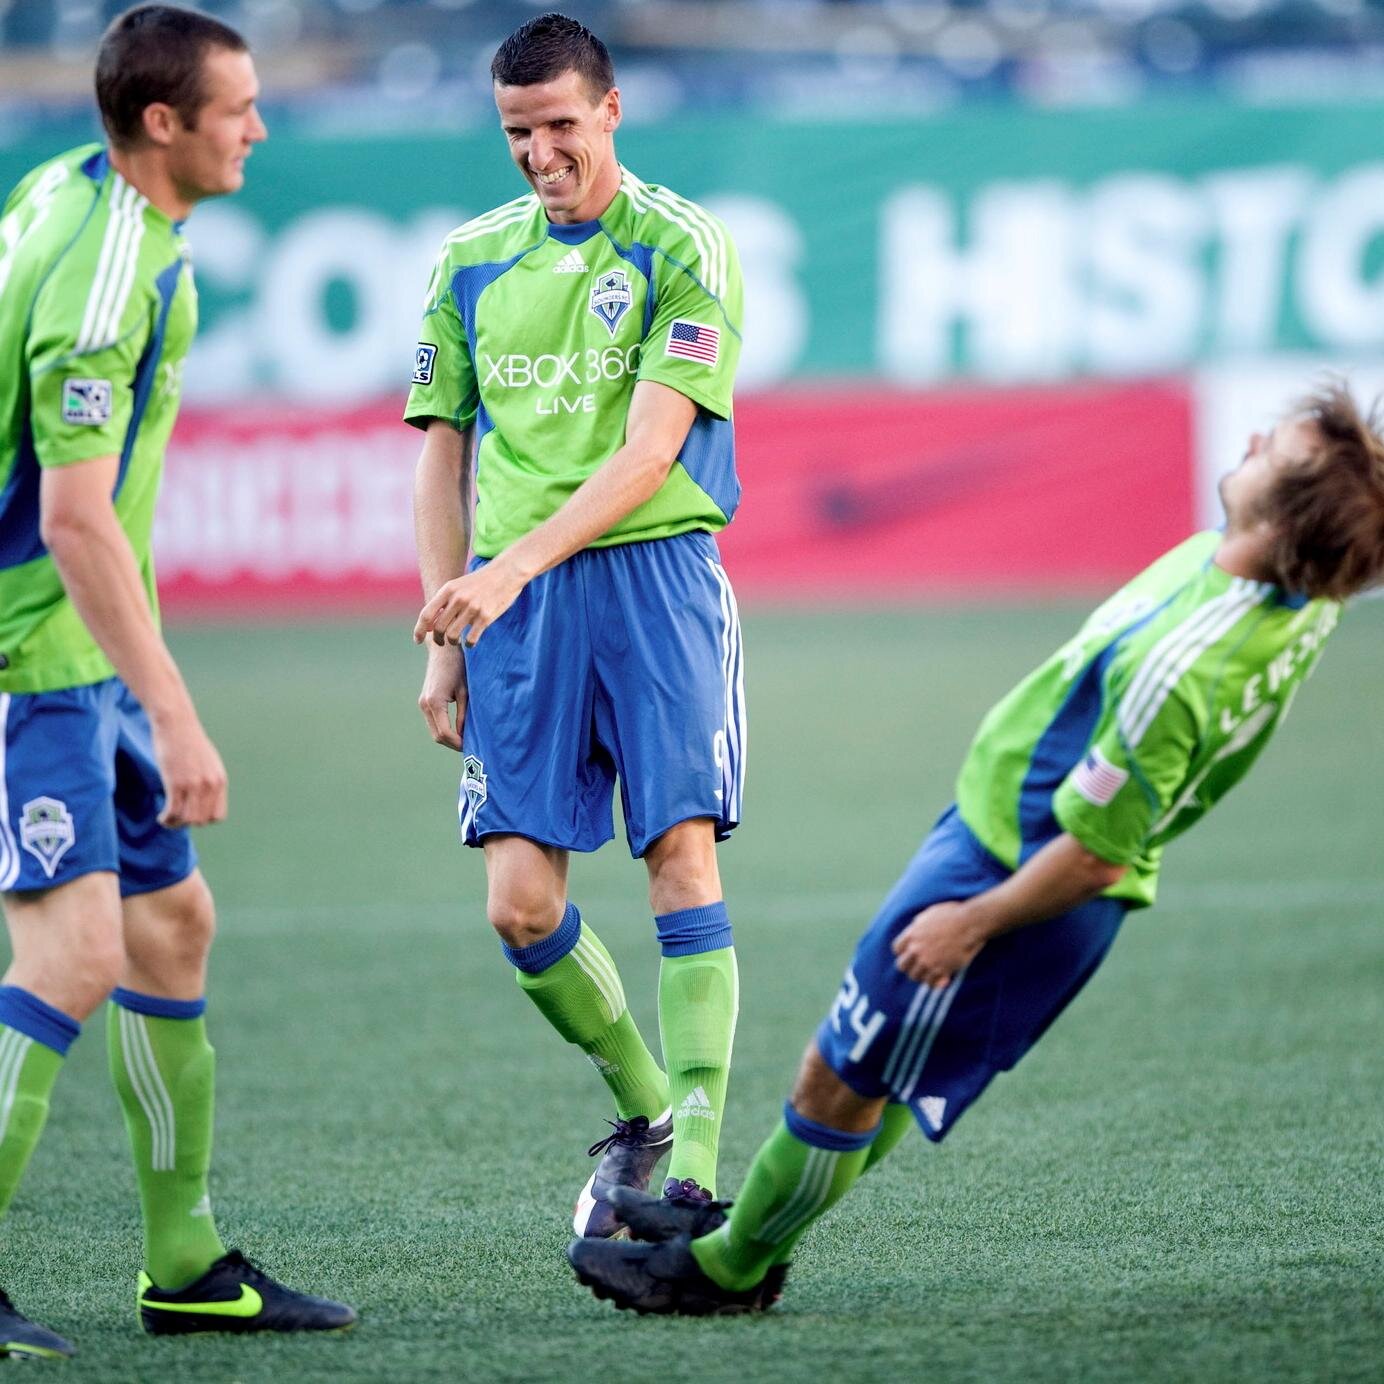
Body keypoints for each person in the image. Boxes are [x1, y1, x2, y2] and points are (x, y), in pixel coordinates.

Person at [567, 383, 1384, 1314]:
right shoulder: (1291, 593)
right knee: (877, 1081)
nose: (1247, 439)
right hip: (998, 842)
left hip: (1016, 881)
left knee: (838, 1079)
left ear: (1288, 517)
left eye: (1271, 449)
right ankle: (749, 1227)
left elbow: (1095, 855)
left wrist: (973, 922)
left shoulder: (1184, 666)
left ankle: (726, 1270)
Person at [0, 6, 356, 1358]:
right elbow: (77, 520)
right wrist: (177, 709)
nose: (260, 127)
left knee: (169, 932)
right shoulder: (107, 274)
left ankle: (185, 1267)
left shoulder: (68, 191)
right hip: (32, 658)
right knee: (76, 954)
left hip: (81, 653)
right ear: (165, 125)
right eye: (240, 107)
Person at [407, 12, 746, 1237]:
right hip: (513, 608)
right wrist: (450, 629)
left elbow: (653, 452)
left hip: (651, 581)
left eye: (559, 124)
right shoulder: (466, 263)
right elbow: (439, 459)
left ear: (610, 110)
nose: (540, 151)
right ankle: (646, 1109)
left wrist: (508, 574)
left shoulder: (682, 244)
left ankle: (699, 1175)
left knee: (679, 856)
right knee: (519, 906)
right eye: (516, 131)